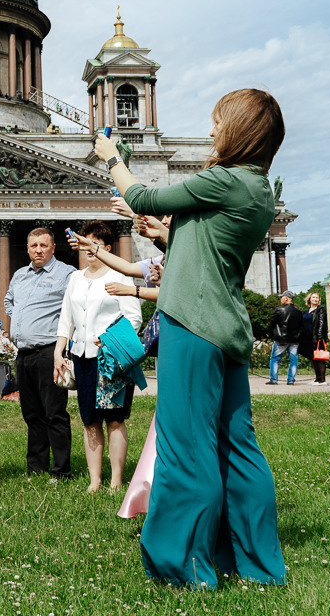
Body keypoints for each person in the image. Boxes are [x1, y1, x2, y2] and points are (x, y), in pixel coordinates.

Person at [98, 88, 288, 589]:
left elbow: (140, 195)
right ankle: (258, 563)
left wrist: (111, 156)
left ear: (240, 132)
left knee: (187, 446)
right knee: (237, 447)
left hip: (190, 323)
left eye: (218, 123)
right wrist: (166, 235)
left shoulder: (223, 179)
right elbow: (207, 248)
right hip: (227, 329)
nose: (210, 132)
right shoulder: (258, 190)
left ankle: (186, 564)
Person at [54, 221, 141, 492]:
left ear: (107, 248)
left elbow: (134, 317)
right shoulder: (75, 279)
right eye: (85, 244)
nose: (89, 250)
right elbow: (65, 318)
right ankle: (95, 480)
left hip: (111, 359)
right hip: (82, 356)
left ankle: (116, 480)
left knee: (114, 418)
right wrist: (59, 351)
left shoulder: (120, 277)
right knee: (89, 419)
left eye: (96, 245)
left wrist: (108, 339)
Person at [3, 227, 75, 480]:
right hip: (23, 354)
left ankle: (62, 470)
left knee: (54, 412)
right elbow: (8, 301)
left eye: (44, 245)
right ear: (28, 248)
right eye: (34, 246)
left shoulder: (66, 274)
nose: (38, 250)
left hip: (49, 352)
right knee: (32, 414)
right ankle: (36, 467)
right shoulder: (20, 275)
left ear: (53, 247)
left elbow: (73, 307)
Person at [267, 291, 303, 386]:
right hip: (294, 340)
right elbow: (301, 327)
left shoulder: (279, 310)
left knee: (275, 359)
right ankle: (291, 380)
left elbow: (271, 324)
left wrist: (271, 335)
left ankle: (274, 380)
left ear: (286, 298)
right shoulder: (298, 312)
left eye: (282, 297)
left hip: (281, 340)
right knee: (293, 360)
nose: (280, 299)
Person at [300, 292, 329, 385]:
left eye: (317, 298)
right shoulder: (307, 310)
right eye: (313, 297)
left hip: (317, 337)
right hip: (307, 338)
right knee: (313, 358)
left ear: (319, 300)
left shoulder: (320, 310)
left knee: (319, 358)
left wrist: (319, 336)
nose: (315, 299)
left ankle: (322, 380)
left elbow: (321, 323)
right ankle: (317, 378)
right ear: (309, 299)